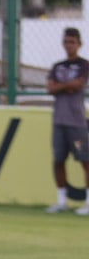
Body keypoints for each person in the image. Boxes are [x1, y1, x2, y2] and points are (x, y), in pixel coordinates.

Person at [45, 27, 89, 215]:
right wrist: (66, 86)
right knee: (58, 160)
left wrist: (61, 86)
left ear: (79, 44)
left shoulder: (84, 65)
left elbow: (78, 84)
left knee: (85, 160)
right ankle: (62, 201)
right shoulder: (57, 66)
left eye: (72, 42)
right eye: (66, 41)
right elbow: (50, 89)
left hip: (76, 121)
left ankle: (88, 202)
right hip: (59, 120)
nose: (69, 45)